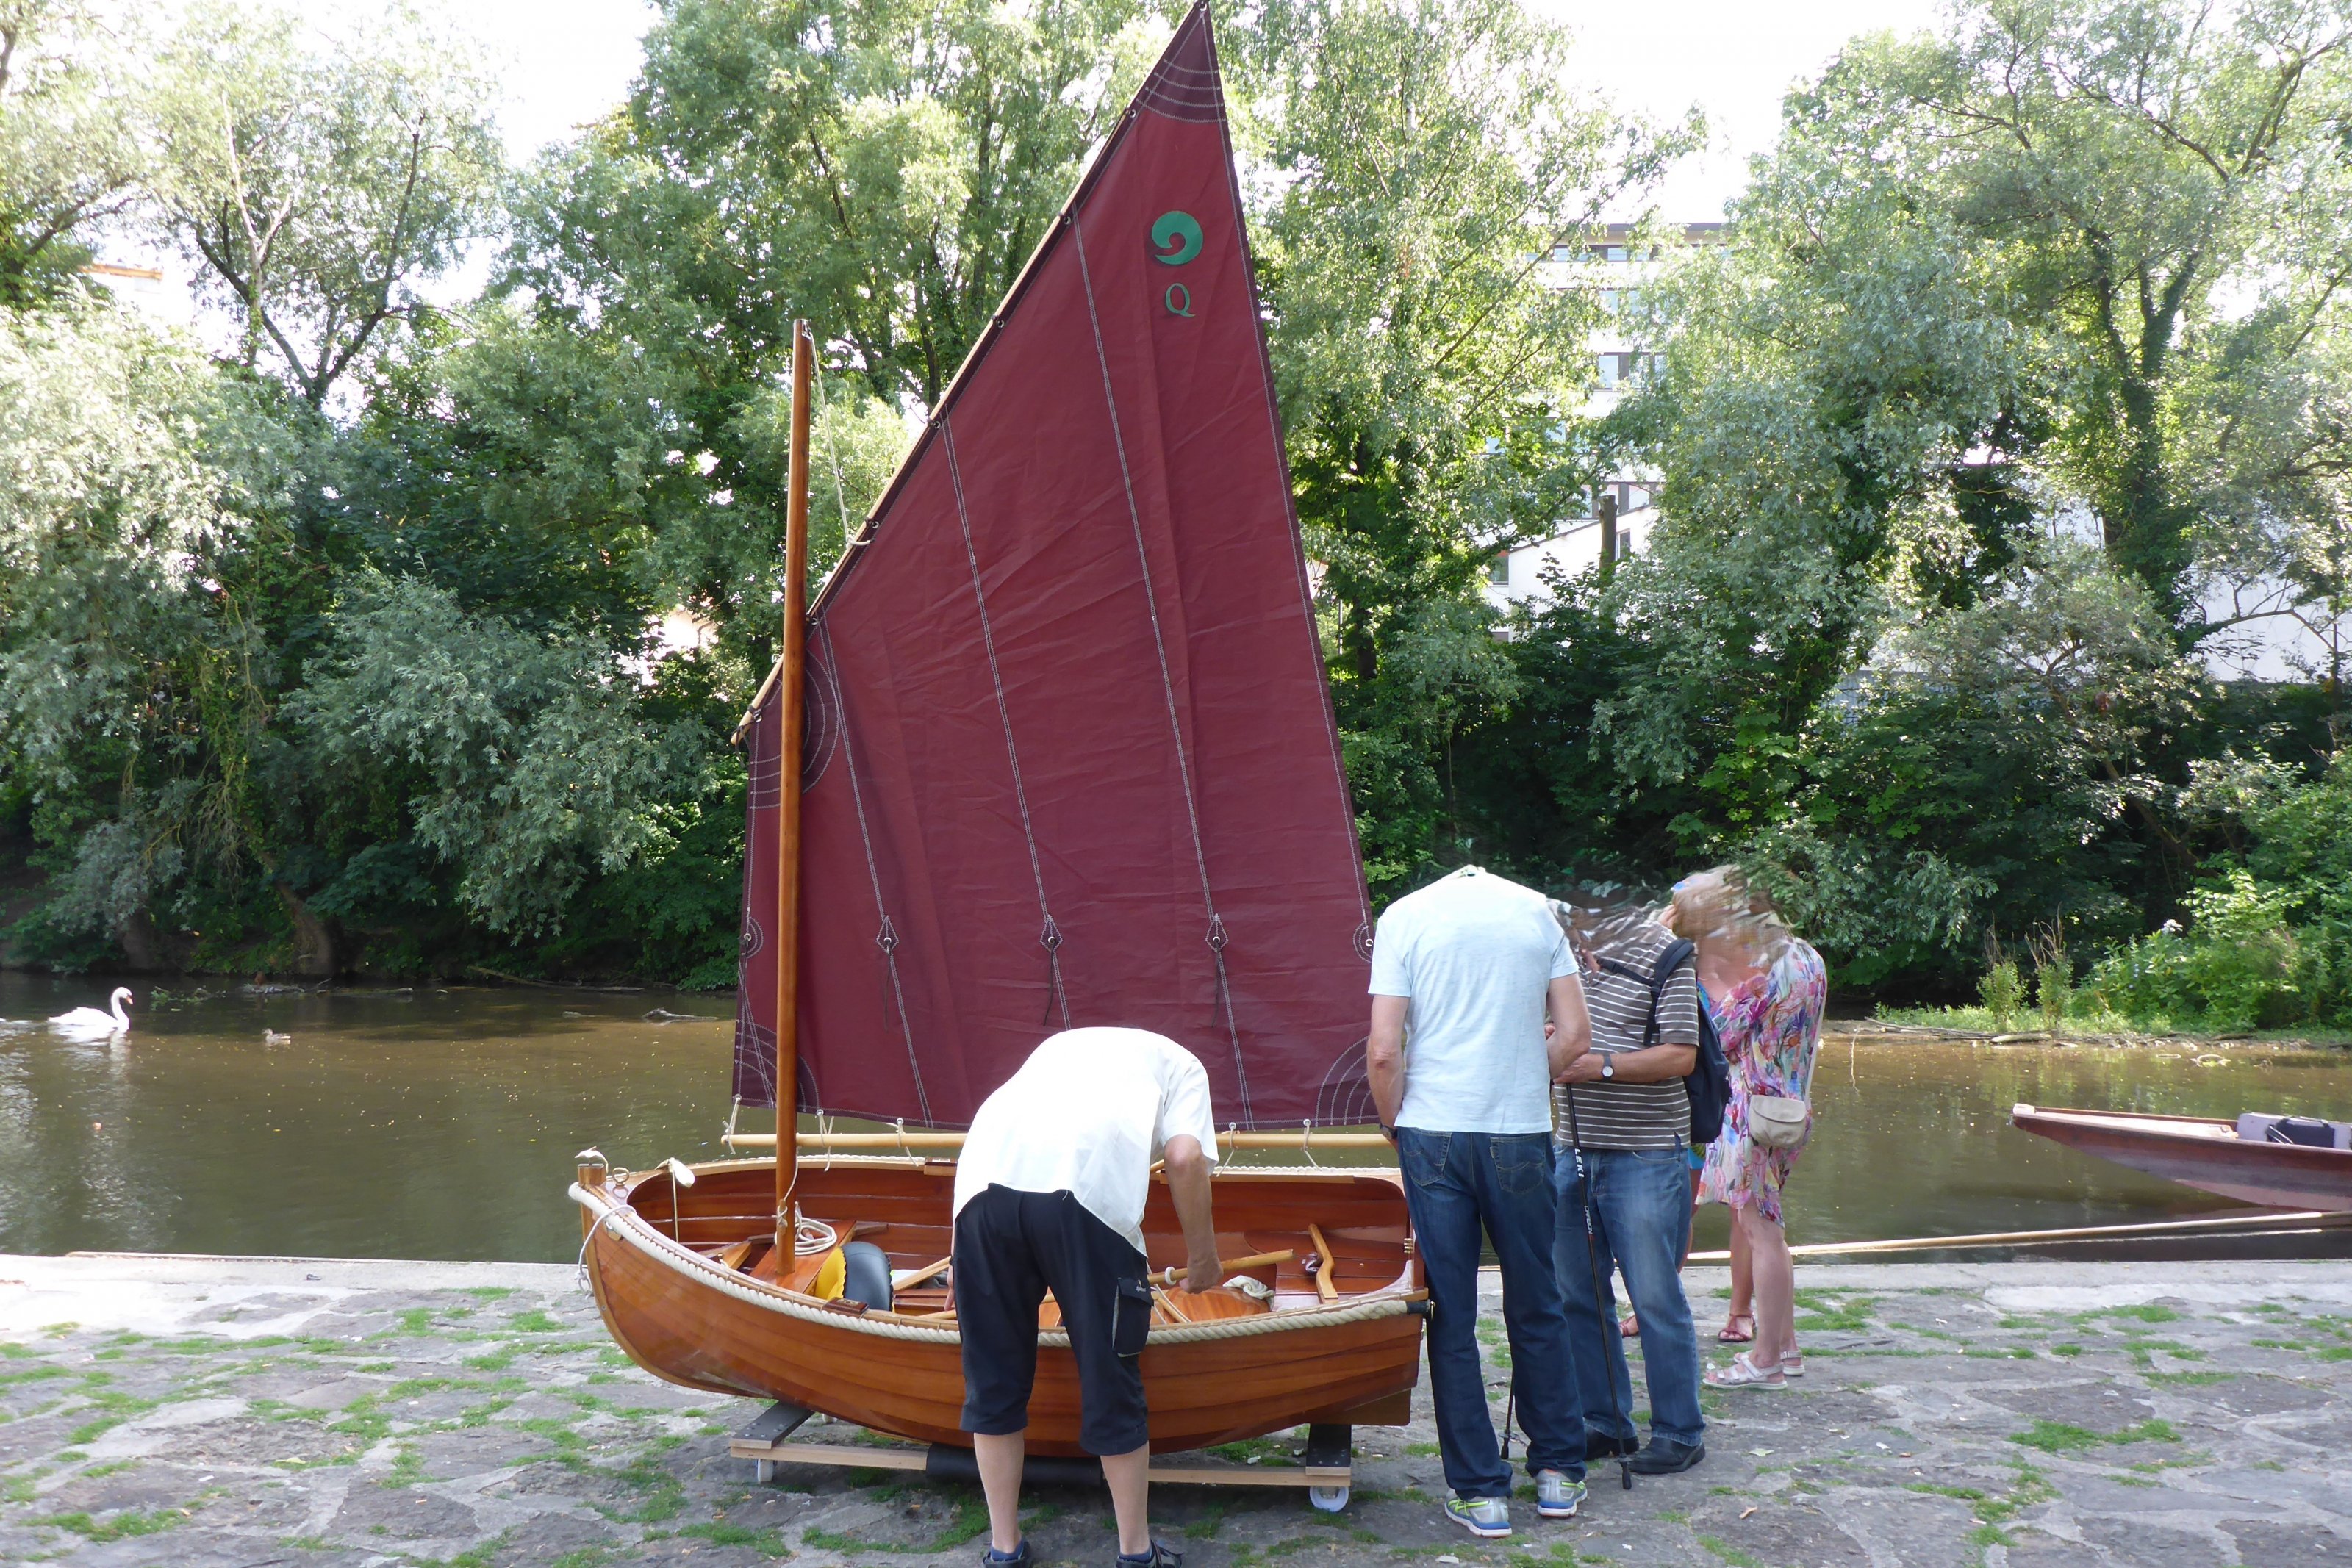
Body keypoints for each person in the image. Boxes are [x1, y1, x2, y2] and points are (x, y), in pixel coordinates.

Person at [1367, 865, 1593, 1539]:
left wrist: (1393, 1123)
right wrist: (1526, 1076)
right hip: (1520, 1132)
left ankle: (1479, 1492)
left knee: (1452, 1313)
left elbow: (1384, 1051)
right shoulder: (1536, 913)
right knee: (1538, 1300)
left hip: (1433, 1131)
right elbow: (1575, 1037)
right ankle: (1557, 1474)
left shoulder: (1405, 916)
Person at [953, 1027, 1225, 1568]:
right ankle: (1135, 1553)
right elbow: (1186, 1157)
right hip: (1083, 1197)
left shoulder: (1063, 1045)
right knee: (1109, 1375)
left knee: (993, 1378)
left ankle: (1004, 1550)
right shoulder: (1184, 1064)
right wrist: (1203, 1259)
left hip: (981, 1190)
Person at [1551, 902, 1708, 1475]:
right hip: (1569, 1146)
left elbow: (1682, 1055)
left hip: (1645, 1151)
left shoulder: (1667, 953)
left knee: (1654, 1297)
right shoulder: (1552, 948)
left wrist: (1598, 1066)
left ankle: (1680, 1431)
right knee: (1578, 1296)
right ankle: (1605, 1422)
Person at [1677, 869, 1828, 1391]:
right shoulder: (1807, 955)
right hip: (1789, 1109)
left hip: (1752, 1117)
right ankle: (1786, 1348)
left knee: (1763, 1235)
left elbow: (1720, 1038)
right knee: (1766, 1230)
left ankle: (1764, 1360)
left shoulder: (1760, 974)